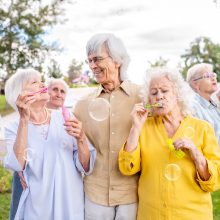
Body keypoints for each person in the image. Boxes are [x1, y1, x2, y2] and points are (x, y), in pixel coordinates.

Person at [118, 68, 220, 220]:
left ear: (178, 94)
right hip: (152, 215)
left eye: (164, 91)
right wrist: (136, 127)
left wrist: (196, 154)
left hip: (192, 215)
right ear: (149, 100)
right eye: (153, 93)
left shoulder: (203, 128)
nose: (159, 96)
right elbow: (127, 168)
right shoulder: (144, 127)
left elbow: (213, 183)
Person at [4, 69, 96, 220]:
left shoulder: (65, 117)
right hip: (37, 208)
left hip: (69, 205)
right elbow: (18, 164)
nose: (42, 84)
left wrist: (81, 139)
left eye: (41, 80)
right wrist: (24, 120)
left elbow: (85, 166)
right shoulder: (14, 127)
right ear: (20, 94)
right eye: (34, 82)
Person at [74, 33, 141, 220]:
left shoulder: (142, 96)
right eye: (89, 61)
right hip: (95, 195)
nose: (92, 66)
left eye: (97, 59)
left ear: (117, 60)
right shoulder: (82, 104)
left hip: (133, 194)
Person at [9, 77, 69, 220]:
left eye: (63, 91)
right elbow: (18, 160)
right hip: (33, 190)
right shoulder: (21, 121)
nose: (59, 94)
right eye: (54, 89)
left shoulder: (67, 117)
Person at [186, 63, 220, 145]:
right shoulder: (193, 108)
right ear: (195, 84)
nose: (213, 78)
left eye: (213, 75)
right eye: (207, 76)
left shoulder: (213, 104)